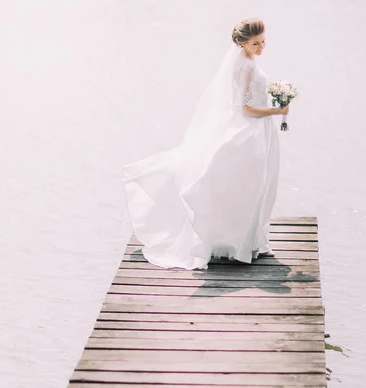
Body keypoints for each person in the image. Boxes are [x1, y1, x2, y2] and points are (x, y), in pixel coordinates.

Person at [123, 18, 289, 270]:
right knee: (249, 185)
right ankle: (237, 243)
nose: (261, 47)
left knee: (254, 186)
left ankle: (247, 241)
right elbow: (246, 109)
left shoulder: (246, 61)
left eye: (263, 41)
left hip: (258, 131)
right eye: (255, 43)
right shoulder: (245, 67)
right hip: (251, 131)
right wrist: (276, 112)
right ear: (242, 43)